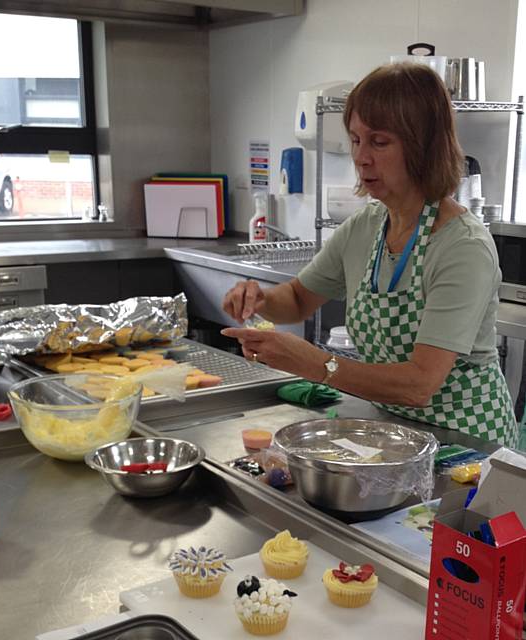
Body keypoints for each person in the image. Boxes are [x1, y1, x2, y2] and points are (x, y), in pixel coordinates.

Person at [222, 62, 518, 448]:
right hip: (397, 434)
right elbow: (296, 300)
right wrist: (260, 298)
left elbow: (419, 385)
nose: (361, 158)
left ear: (423, 147)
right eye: (357, 140)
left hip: (468, 448)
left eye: (379, 142)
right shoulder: (367, 226)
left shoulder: (462, 247)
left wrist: (315, 364)